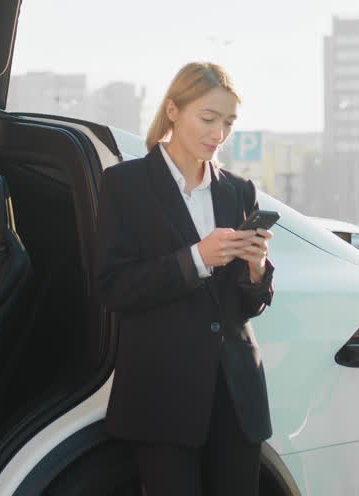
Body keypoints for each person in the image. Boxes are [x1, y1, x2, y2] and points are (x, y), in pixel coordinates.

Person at [94, 62, 275, 496]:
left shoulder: (238, 191)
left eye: (228, 123)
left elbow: (247, 304)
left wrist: (256, 270)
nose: (218, 134)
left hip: (236, 395)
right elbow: (112, 286)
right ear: (173, 110)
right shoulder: (125, 184)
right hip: (162, 397)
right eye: (208, 119)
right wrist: (195, 259)